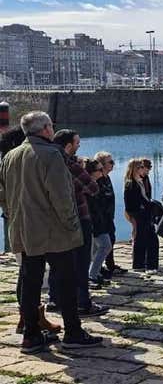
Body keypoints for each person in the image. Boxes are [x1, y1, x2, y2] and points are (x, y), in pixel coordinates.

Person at [0, 111, 102, 353]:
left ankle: (31, 335)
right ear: (45, 129)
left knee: (30, 282)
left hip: (24, 229)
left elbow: (3, 195)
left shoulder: (10, 156)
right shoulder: (51, 155)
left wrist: (14, 216)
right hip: (54, 230)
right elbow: (62, 196)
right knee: (65, 281)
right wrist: (72, 225)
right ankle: (73, 332)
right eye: (50, 126)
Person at [1, 126, 62, 337]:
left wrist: (10, 211)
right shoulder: (20, 160)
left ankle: (30, 320)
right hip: (29, 226)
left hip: (17, 222)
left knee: (26, 273)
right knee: (31, 275)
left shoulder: (9, 159)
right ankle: (30, 322)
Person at [51, 129, 106, 317]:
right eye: (77, 144)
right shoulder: (69, 164)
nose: (79, 146)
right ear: (68, 145)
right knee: (81, 264)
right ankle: (83, 302)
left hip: (54, 220)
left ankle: (55, 298)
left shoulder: (44, 161)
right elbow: (93, 188)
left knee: (59, 263)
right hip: (79, 218)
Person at [94, 152, 125, 278]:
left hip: (109, 216)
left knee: (111, 239)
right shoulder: (98, 179)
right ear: (102, 164)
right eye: (110, 162)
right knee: (102, 244)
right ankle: (98, 269)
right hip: (100, 218)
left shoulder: (107, 178)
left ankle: (110, 265)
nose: (113, 164)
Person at [124, 159, 159, 271]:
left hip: (146, 215)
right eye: (139, 167)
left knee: (152, 240)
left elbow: (145, 198)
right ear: (134, 169)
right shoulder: (130, 184)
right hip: (139, 216)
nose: (142, 169)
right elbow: (130, 204)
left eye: (142, 167)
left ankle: (151, 265)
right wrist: (137, 214)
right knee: (141, 241)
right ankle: (139, 265)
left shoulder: (140, 180)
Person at [84, 159, 111, 287]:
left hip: (101, 220)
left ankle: (94, 273)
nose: (102, 172)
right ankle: (92, 275)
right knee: (106, 245)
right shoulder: (88, 187)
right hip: (94, 222)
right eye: (99, 170)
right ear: (91, 172)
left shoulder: (99, 183)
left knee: (95, 248)